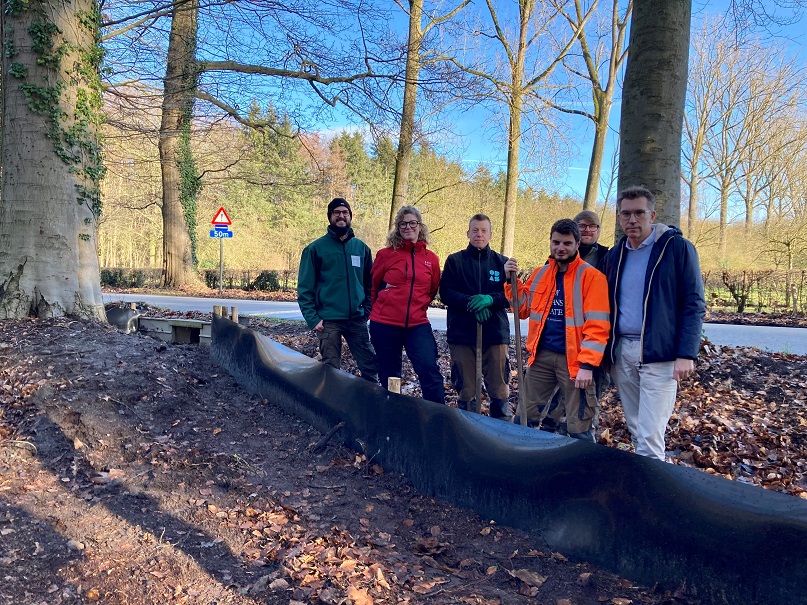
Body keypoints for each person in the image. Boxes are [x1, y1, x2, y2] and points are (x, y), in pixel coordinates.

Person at [603, 185, 705, 460]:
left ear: (653, 214)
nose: (632, 220)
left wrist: (686, 353)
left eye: (639, 213)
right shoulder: (615, 255)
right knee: (636, 427)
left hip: (659, 354)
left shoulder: (677, 249)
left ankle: (650, 497)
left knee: (650, 433)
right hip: (622, 352)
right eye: (626, 214)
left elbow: (693, 304)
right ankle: (646, 481)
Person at [504, 219, 610, 441]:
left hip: (574, 361)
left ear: (577, 244)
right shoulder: (541, 273)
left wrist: (587, 365)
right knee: (525, 416)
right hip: (541, 356)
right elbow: (522, 308)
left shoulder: (592, 277)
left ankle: (580, 468)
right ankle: (522, 459)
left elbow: (598, 325)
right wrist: (509, 281)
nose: (561, 247)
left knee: (579, 423)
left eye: (567, 243)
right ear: (550, 242)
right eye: (556, 242)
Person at [543, 209, 611, 433]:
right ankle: (552, 431)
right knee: (556, 398)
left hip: (593, 343)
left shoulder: (607, 257)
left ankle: (582, 434)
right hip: (563, 345)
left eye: (593, 227)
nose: (588, 230)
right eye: (583, 226)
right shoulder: (556, 259)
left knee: (587, 398)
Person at [297, 198, 378, 383]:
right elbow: (305, 287)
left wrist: (367, 310)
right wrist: (312, 317)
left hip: (356, 319)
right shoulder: (315, 249)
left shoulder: (362, 249)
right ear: (330, 217)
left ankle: (370, 405)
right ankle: (332, 407)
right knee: (331, 369)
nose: (341, 216)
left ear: (350, 216)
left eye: (345, 212)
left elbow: (370, 284)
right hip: (328, 321)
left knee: (370, 365)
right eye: (336, 213)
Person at [369, 206, 444, 403]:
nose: (408, 227)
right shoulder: (386, 255)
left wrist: (416, 307)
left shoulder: (431, 259)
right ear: (397, 227)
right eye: (403, 223)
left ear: (420, 226)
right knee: (391, 374)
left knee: (429, 369)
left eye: (413, 223)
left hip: (417, 324)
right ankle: (393, 414)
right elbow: (373, 286)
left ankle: (436, 418)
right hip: (385, 324)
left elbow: (431, 289)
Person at [439, 214, 511, 419]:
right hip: (462, 333)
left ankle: (502, 432)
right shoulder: (455, 261)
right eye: (475, 230)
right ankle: (468, 433)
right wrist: (471, 302)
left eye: (484, 230)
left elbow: (510, 296)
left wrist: (491, 299)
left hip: (495, 333)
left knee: (499, 389)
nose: (479, 234)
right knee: (467, 389)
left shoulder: (502, 263)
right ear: (468, 233)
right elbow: (446, 292)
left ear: (490, 234)